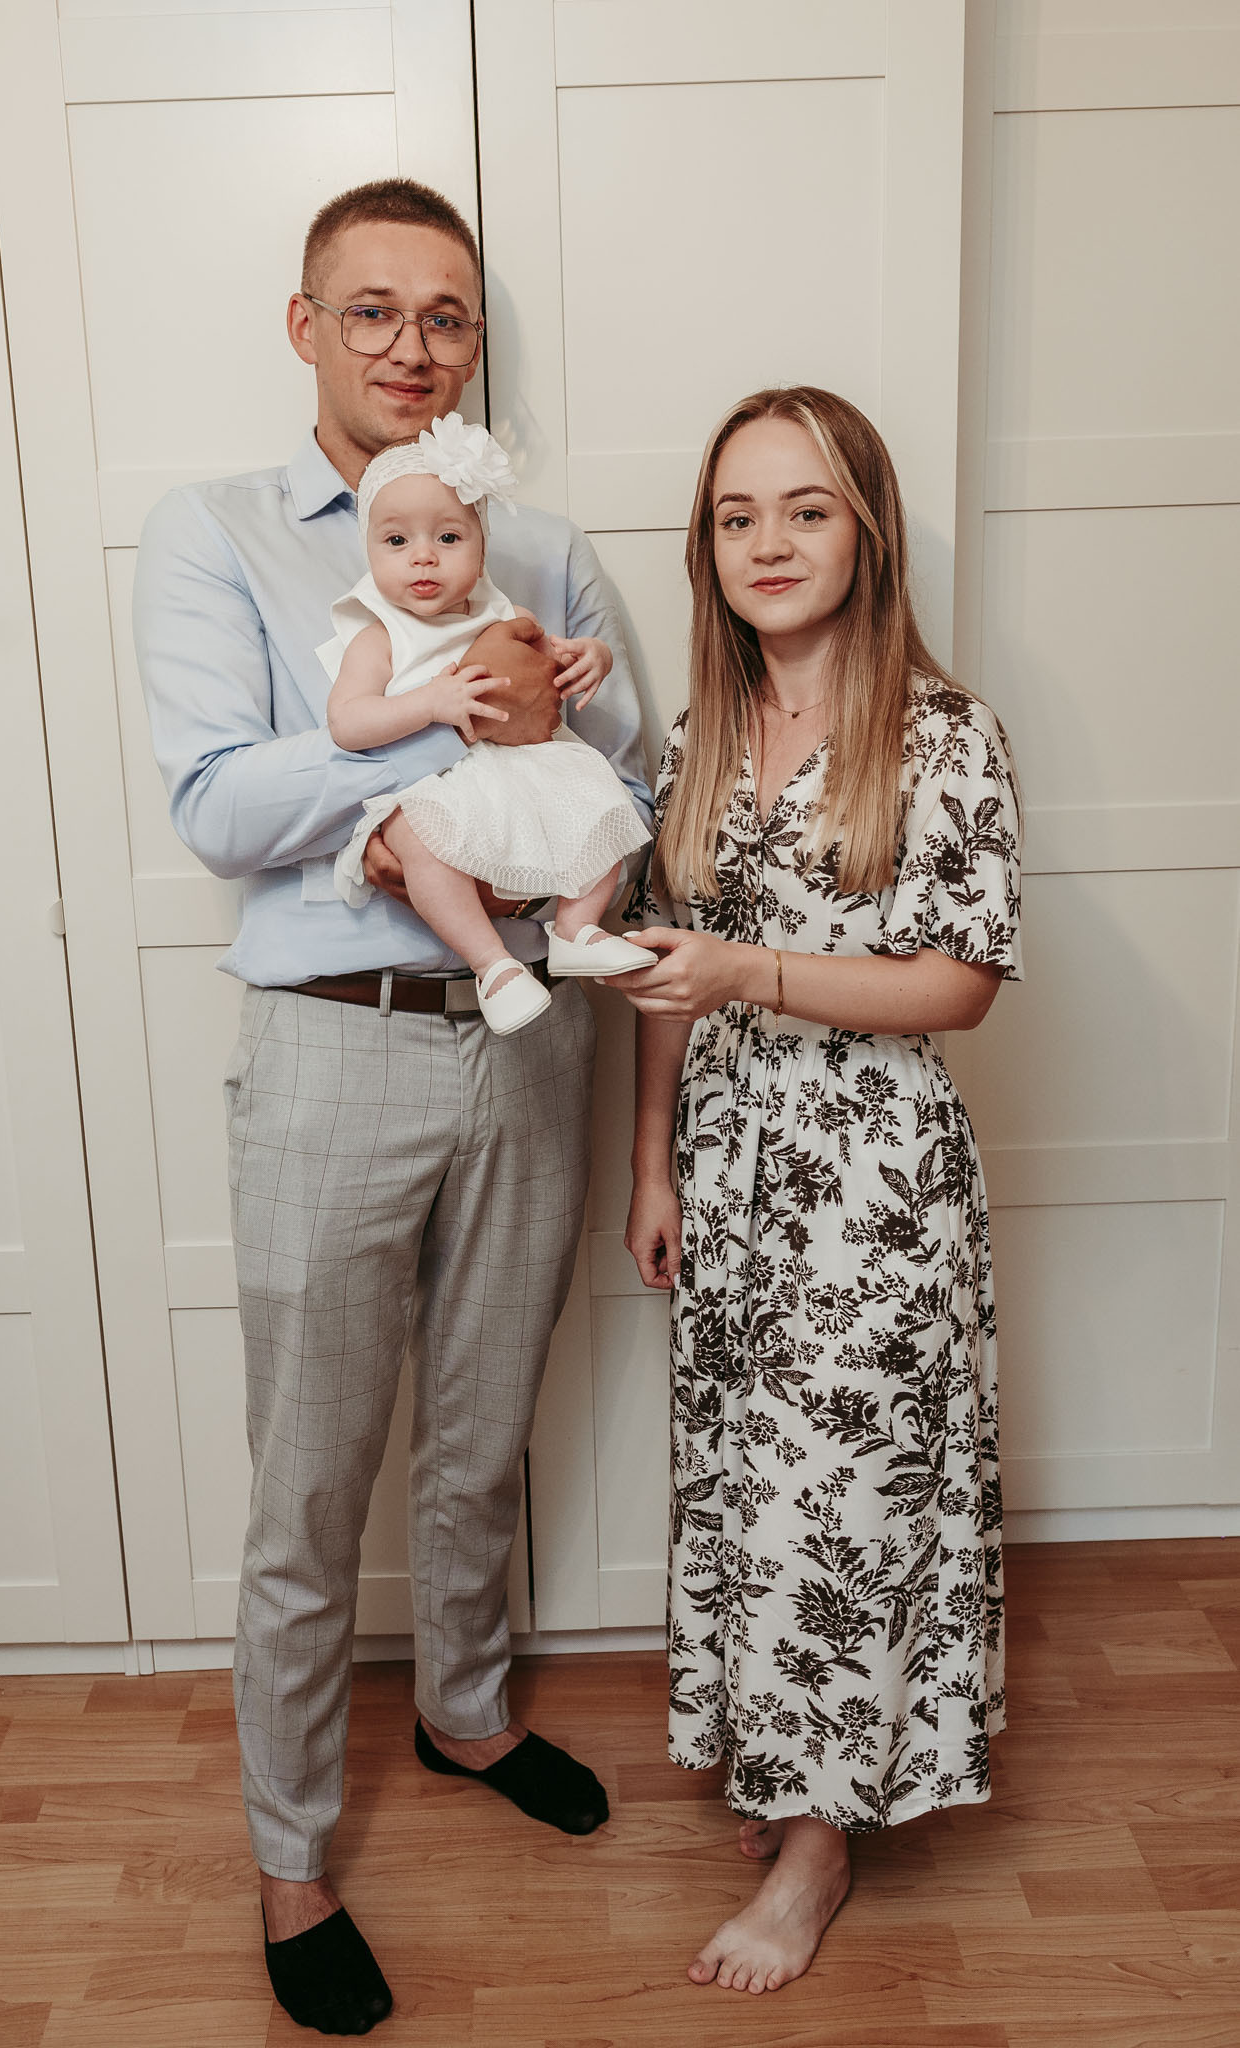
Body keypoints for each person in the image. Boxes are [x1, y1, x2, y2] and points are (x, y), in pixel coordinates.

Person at [133, 176, 652, 2035]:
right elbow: (219, 807)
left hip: (529, 1033)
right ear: (306, 328)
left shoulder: (548, 545)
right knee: (309, 1475)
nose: (411, 345)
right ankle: (289, 1856)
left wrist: (560, 710)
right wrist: (435, 731)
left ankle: (466, 1712)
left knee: (482, 1421)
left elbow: (619, 780)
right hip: (332, 1041)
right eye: (371, 310)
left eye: (445, 315)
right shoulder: (215, 535)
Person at [616, 387, 1021, 1998]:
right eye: (736, 516)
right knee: (747, 1490)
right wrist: (648, 1160)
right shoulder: (696, 739)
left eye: (802, 509)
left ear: (867, 529)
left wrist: (752, 971)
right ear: (705, 548)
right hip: (725, 1168)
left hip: (870, 1185)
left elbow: (959, 985)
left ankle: (817, 1846)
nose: (766, 542)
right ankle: (790, 1768)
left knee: (840, 1502)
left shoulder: (942, 734)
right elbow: (666, 974)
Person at [317, 412, 651, 1032]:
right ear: (368, 551)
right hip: (434, 786)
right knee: (421, 845)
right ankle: (493, 965)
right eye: (396, 541)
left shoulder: (504, 613)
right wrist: (430, 702)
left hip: (521, 772)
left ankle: (577, 927)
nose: (423, 557)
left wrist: (592, 657)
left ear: (482, 547)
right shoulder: (379, 636)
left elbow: (551, 659)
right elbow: (348, 722)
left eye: (448, 538)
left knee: (600, 801)